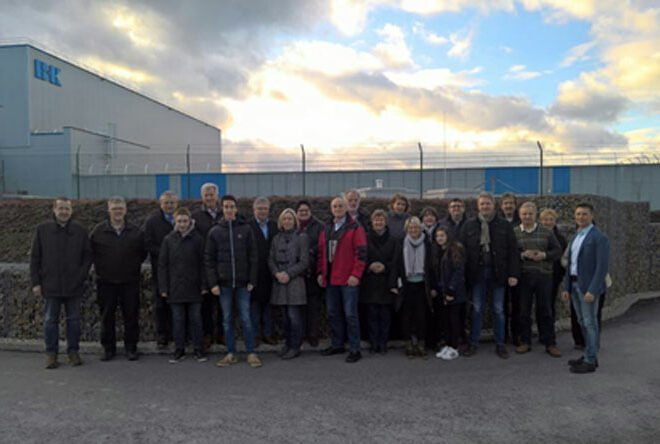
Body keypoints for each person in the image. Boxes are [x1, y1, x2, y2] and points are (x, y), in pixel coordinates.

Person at [30, 197, 92, 369]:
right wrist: (36, 282)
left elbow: (88, 256)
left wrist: (81, 276)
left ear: (71, 211)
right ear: (54, 210)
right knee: (50, 321)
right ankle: (51, 354)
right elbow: (35, 258)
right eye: (61, 208)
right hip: (50, 285)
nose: (64, 212)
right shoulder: (42, 230)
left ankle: (73, 352)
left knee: (74, 321)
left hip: (74, 285)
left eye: (67, 209)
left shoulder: (80, 231)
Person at [460, 192, 520, 359]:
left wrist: (513, 273)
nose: (485, 206)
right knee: (477, 309)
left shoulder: (504, 226)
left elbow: (513, 251)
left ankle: (500, 344)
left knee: (498, 309)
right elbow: (461, 252)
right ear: (478, 206)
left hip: (498, 274)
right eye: (482, 204)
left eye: (488, 204)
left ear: (494, 205)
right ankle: (473, 343)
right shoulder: (469, 226)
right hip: (477, 274)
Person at [205, 195, 261, 368]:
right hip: (224, 284)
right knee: (227, 319)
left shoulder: (246, 229)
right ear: (222, 208)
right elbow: (209, 259)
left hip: (243, 283)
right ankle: (231, 353)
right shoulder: (215, 231)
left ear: (236, 209)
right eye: (226, 206)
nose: (229, 209)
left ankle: (251, 352)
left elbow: (253, 256)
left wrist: (252, 279)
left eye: (232, 206)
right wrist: (213, 283)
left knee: (246, 318)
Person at [90, 197, 146, 361]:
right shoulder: (98, 231)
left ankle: (131, 348)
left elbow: (142, 253)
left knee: (131, 316)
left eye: (120, 208)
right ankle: (108, 349)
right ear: (109, 210)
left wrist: (131, 266)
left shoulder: (136, 231)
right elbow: (91, 253)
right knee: (107, 316)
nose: (118, 211)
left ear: (125, 210)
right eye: (114, 208)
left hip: (130, 281)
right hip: (106, 281)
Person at [317, 196, 367, 363]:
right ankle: (337, 344)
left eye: (340, 206)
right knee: (332, 314)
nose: (337, 208)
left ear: (346, 208)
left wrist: (356, 275)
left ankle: (355, 349)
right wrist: (320, 272)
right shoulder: (327, 227)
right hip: (331, 278)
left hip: (348, 279)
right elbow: (321, 253)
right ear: (331, 209)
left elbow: (361, 253)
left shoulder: (355, 227)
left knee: (350, 315)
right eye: (335, 206)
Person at [562, 203, 610, 374]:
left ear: (592, 216)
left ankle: (590, 360)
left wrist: (593, 290)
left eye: (584, 214)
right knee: (582, 321)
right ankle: (589, 354)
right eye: (578, 214)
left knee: (590, 323)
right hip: (574, 285)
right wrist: (566, 287)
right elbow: (570, 264)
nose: (581, 217)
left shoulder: (599, 237)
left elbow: (601, 267)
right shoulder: (576, 236)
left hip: (588, 288)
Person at [158, 207, 208, 363]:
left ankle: (199, 350)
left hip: (194, 287)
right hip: (175, 288)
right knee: (178, 320)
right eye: (179, 221)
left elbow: (203, 264)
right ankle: (179, 350)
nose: (182, 224)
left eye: (185, 221)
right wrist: (164, 288)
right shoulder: (168, 240)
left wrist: (204, 285)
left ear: (190, 221)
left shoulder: (198, 239)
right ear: (175, 221)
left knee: (196, 319)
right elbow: (162, 265)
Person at [513, 202, 562, 358]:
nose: (527, 216)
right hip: (524, 277)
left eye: (530, 214)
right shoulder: (514, 232)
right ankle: (525, 341)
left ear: (535, 215)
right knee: (523, 311)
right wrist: (522, 255)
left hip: (543, 276)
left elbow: (557, 250)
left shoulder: (546, 232)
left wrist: (544, 255)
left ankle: (550, 343)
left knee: (545, 311)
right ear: (520, 215)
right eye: (524, 214)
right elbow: (510, 253)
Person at [268, 209, 309, 360]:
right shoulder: (276, 238)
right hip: (279, 282)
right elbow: (270, 259)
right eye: (284, 219)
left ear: (294, 221)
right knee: (284, 317)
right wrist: (277, 273)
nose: (287, 221)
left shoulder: (302, 237)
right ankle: (288, 343)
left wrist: (288, 274)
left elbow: (304, 261)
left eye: (290, 219)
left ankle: (295, 346)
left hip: (295, 282)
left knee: (294, 316)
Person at [360, 209, 398, 354]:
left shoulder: (394, 240)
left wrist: (385, 267)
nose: (378, 222)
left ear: (385, 222)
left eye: (381, 220)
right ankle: (374, 342)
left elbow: (395, 261)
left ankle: (383, 343)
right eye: (376, 220)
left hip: (386, 282)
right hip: (369, 282)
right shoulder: (365, 238)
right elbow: (361, 257)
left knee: (385, 316)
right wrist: (369, 266)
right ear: (372, 222)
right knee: (371, 316)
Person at [143, 190, 177, 350]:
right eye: (166, 202)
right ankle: (162, 336)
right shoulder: (152, 221)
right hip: (160, 269)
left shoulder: (182, 219)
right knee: (160, 303)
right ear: (160, 204)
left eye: (172, 202)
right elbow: (147, 243)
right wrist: (164, 253)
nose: (169, 205)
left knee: (177, 303)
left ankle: (177, 335)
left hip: (179, 270)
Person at [394, 217, 432, 358]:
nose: (413, 230)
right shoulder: (401, 243)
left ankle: (421, 343)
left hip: (422, 283)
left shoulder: (427, 243)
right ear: (407, 229)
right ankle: (408, 343)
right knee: (407, 316)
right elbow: (396, 264)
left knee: (421, 315)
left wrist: (432, 286)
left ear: (420, 228)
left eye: (416, 227)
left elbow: (431, 266)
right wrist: (394, 283)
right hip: (406, 283)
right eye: (410, 228)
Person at [192, 182, 224, 350]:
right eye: (206, 194)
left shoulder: (225, 213)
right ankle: (207, 335)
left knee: (223, 303)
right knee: (205, 304)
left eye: (212, 194)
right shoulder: (195, 216)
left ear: (217, 196)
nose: (209, 197)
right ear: (202, 197)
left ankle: (222, 334)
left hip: (223, 264)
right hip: (204, 265)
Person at [427, 225, 466, 361]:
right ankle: (448, 345)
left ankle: (454, 347)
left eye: (442, 236)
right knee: (445, 320)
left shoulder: (455, 250)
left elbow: (458, 272)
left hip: (454, 292)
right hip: (442, 292)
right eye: (437, 236)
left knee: (453, 320)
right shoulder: (437, 251)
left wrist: (451, 289)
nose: (439, 238)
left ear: (448, 236)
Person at [248, 196, 278, 346]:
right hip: (254, 272)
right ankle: (255, 335)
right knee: (254, 306)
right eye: (259, 208)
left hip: (271, 272)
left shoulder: (274, 226)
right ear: (254, 210)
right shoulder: (248, 226)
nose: (262, 211)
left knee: (269, 306)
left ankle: (268, 333)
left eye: (265, 208)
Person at [295, 200, 325, 347]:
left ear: (310, 211)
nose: (303, 213)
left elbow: (322, 247)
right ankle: (299, 335)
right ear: (296, 212)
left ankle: (313, 334)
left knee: (313, 307)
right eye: (301, 211)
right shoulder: (292, 225)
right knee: (299, 307)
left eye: (306, 210)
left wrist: (308, 253)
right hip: (297, 275)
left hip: (313, 273)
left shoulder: (319, 227)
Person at [539, 208, 568, 326]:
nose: (548, 222)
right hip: (539, 274)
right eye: (545, 220)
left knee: (550, 304)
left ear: (555, 221)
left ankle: (549, 330)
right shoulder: (537, 236)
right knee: (540, 304)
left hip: (554, 275)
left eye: (551, 220)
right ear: (541, 221)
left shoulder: (561, 239)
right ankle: (542, 330)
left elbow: (563, 257)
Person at [499, 192, 521, 345]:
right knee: (502, 305)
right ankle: (504, 334)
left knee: (518, 305)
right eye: (506, 203)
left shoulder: (521, 222)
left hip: (520, 270)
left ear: (515, 205)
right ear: (501, 206)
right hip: (501, 270)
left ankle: (517, 334)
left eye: (511, 203)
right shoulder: (497, 222)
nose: (508, 206)